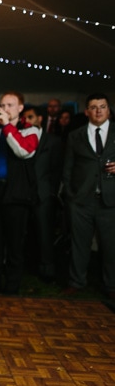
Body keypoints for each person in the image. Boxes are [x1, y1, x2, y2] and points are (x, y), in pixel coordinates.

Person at [0, 91, 40, 294]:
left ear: (20, 108)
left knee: (14, 242)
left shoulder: (31, 130)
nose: (5, 109)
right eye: (3, 105)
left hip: (16, 193)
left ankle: (12, 285)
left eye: (10, 105)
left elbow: (23, 150)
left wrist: (7, 126)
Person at [61, 93, 115, 299]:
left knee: (111, 246)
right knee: (79, 244)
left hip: (110, 200)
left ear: (109, 110)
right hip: (82, 200)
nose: (98, 110)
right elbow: (68, 168)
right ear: (87, 112)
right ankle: (76, 282)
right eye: (94, 107)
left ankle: (111, 286)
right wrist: (71, 196)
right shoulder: (76, 135)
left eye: (102, 106)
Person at [22, 106, 63, 282]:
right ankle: (26, 266)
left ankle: (47, 270)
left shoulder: (53, 141)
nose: (27, 120)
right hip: (23, 192)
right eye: (25, 118)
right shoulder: (19, 138)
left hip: (43, 194)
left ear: (40, 118)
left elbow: (57, 169)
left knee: (45, 233)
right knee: (25, 233)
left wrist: (50, 192)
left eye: (30, 117)